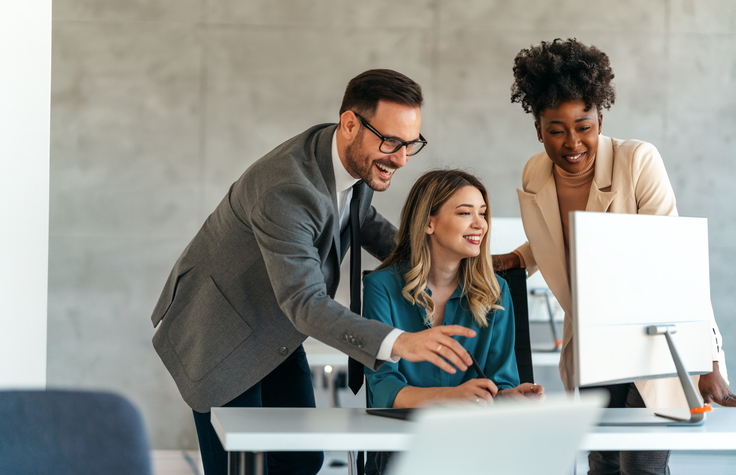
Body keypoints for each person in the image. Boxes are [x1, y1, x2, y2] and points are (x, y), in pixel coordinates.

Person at [150, 70, 480, 475]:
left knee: (301, 459)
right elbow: (305, 303)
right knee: (242, 464)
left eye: (411, 144)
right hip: (222, 334)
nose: (400, 159)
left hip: (273, 325)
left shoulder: (349, 154)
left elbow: (363, 220)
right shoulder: (287, 190)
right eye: (392, 142)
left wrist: (438, 257)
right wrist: (399, 342)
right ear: (350, 124)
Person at [495, 38, 735, 474]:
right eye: (556, 129)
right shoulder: (534, 172)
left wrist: (708, 361)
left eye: (584, 126)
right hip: (593, 343)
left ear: (600, 119)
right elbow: (558, 234)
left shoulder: (638, 161)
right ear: (538, 128)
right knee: (601, 463)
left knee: (641, 467)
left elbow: (677, 264)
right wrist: (520, 258)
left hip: (652, 344)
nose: (572, 142)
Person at [363, 169, 544, 475]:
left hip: (474, 440)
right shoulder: (382, 287)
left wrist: (506, 397)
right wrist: (451, 397)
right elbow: (384, 390)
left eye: (483, 213)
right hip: (404, 442)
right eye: (465, 213)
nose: (480, 224)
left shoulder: (495, 291)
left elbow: (500, 381)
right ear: (429, 222)